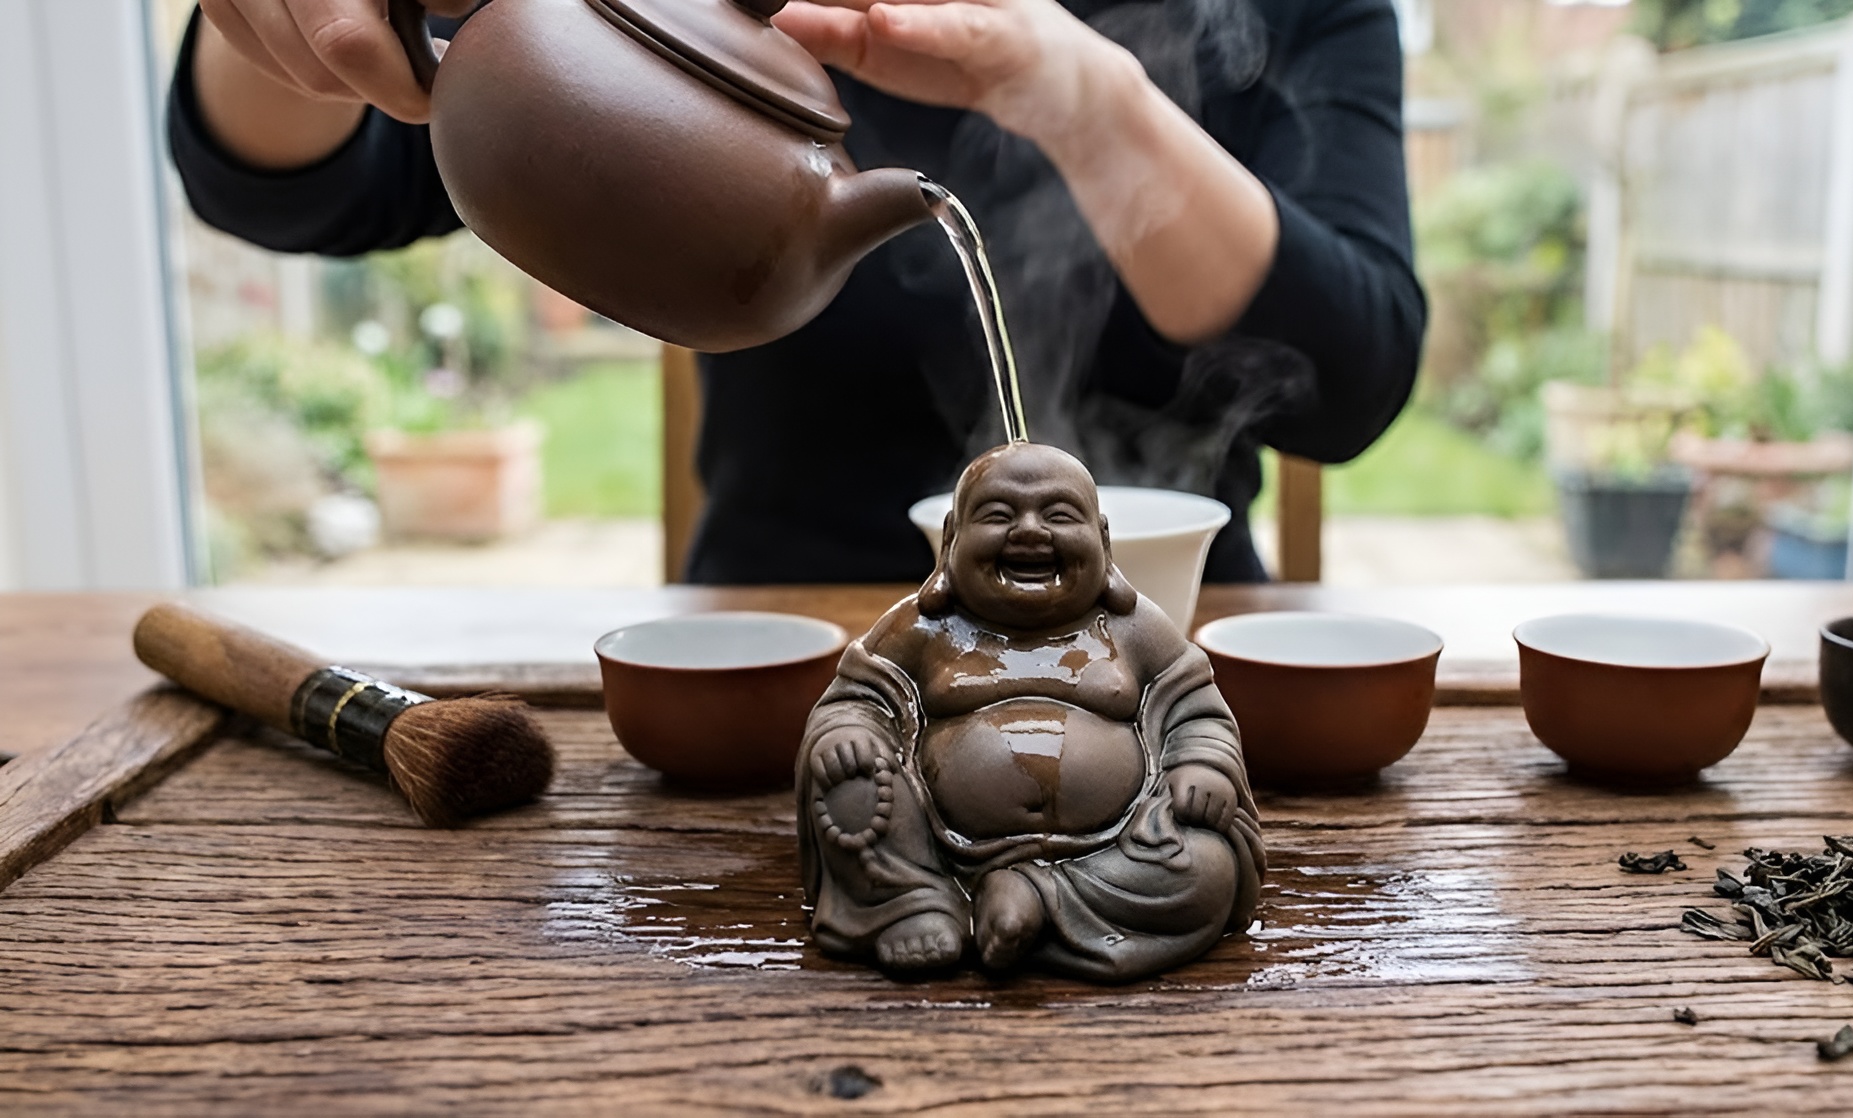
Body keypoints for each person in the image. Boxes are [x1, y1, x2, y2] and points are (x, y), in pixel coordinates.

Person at [171, 0, 1424, 583]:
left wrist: (1083, 96)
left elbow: (1350, 379)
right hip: (766, 660)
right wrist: (301, 38)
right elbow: (294, 187)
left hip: (1173, 651)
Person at [799, 441, 1261, 978]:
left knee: (1207, 867)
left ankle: (1036, 900)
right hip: (936, 846)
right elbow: (859, 700)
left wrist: (1200, 764)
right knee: (849, 783)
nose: (1029, 531)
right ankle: (916, 902)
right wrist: (848, 735)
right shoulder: (920, 632)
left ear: (1104, 543)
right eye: (998, 515)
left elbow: (1195, 710)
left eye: (1059, 515)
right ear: (951, 540)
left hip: (1119, 849)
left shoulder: (1137, 632)